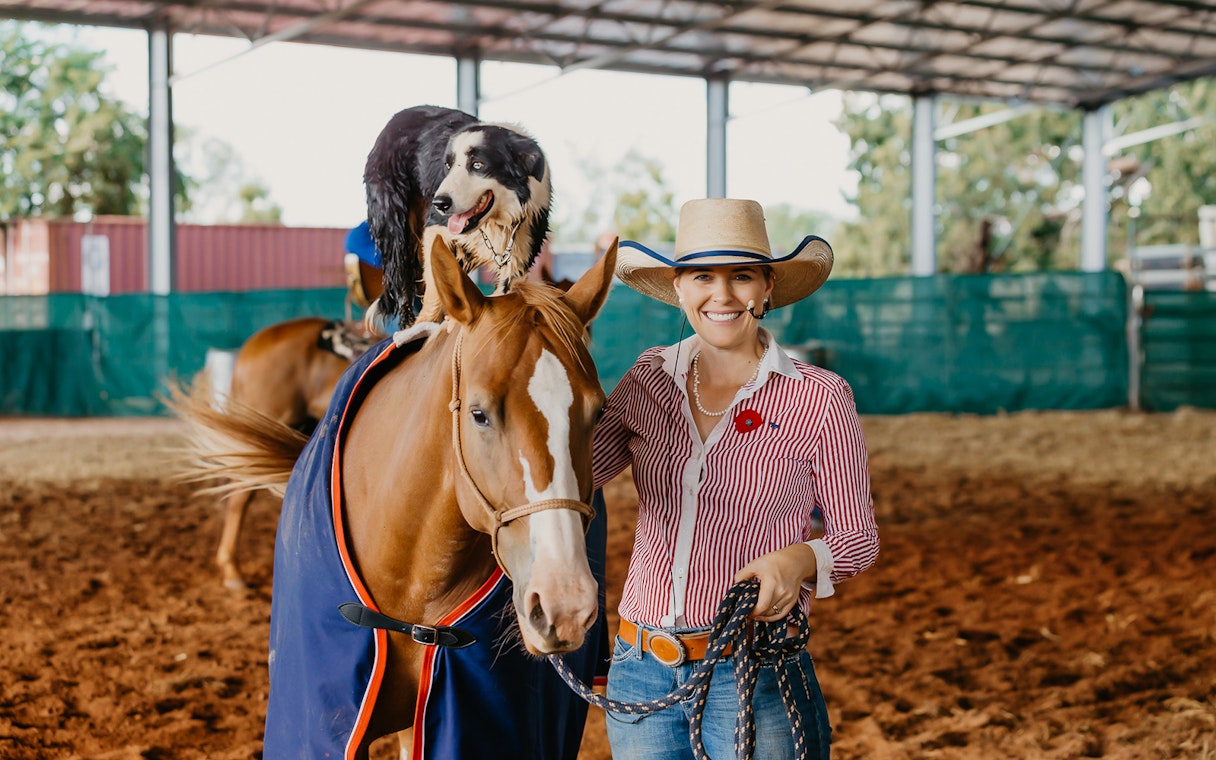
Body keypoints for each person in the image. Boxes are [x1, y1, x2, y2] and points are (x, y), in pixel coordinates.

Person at [593, 198, 880, 759]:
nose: (721, 296)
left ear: (767, 288)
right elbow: (577, 479)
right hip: (639, 667)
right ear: (679, 288)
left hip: (755, 668)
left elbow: (857, 539)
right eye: (703, 276)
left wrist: (796, 561)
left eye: (741, 276)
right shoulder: (648, 378)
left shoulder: (819, 396)